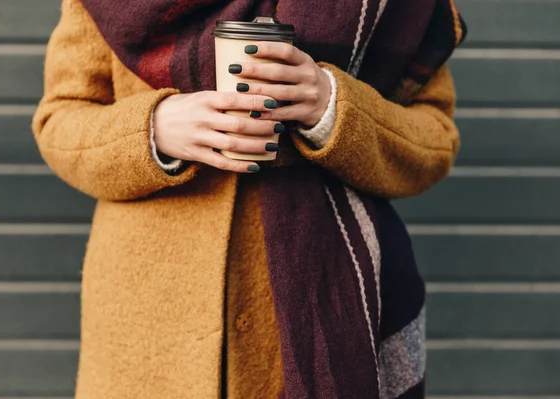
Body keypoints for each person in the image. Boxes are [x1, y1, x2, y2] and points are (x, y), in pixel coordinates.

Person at [32, 0, 465, 397]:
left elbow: (434, 142)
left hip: (328, 309)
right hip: (151, 321)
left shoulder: (396, 8)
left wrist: (331, 105)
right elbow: (60, 119)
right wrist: (155, 128)